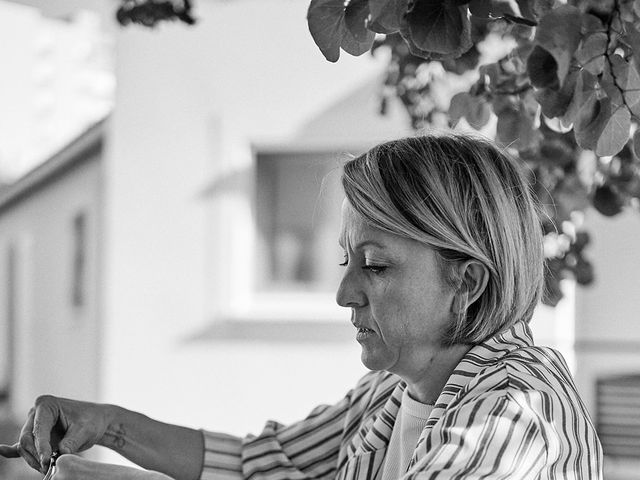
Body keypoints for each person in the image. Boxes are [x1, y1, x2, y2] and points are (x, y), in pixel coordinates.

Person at [0, 133, 603, 479]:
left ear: (467, 281)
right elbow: (255, 466)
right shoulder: (392, 392)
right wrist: (106, 427)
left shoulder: (516, 416)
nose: (345, 293)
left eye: (377, 264)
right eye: (347, 261)